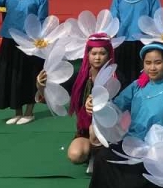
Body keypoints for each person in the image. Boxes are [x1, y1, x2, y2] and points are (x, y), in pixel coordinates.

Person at [81, 42, 163, 188]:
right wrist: (96, 104)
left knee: (131, 186)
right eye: (148, 63)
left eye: (157, 62)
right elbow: (115, 106)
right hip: (132, 143)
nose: (152, 67)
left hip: (158, 149)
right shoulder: (138, 85)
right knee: (103, 158)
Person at [37, 31, 114, 165]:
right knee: (76, 155)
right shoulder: (80, 78)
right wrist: (40, 85)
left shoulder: (116, 78)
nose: (97, 57)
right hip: (85, 130)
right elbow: (53, 96)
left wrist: (102, 105)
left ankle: (100, 159)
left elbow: (125, 107)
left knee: (94, 130)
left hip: (111, 129)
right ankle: (93, 151)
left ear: (109, 56)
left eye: (102, 53)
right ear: (87, 55)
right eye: (94, 53)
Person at [109, 0, 163, 86]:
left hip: (144, 40)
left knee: (143, 73)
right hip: (123, 40)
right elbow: (113, 17)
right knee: (123, 74)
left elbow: (157, 15)